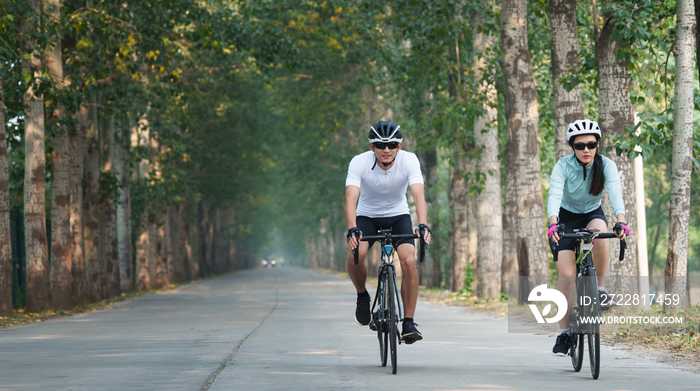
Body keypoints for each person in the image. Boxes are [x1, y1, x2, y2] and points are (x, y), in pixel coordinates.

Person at [547, 119, 629, 356]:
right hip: (564, 219)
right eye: (580, 145)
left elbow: (614, 191)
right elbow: (555, 193)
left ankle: (600, 290)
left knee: (600, 235)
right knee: (567, 275)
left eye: (591, 144)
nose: (586, 150)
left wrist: (621, 220)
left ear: (597, 144)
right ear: (572, 147)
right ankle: (563, 332)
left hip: (592, 214)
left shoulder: (606, 165)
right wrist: (553, 224)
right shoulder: (562, 166)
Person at [345, 120, 432, 344]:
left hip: (398, 216)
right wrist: (353, 228)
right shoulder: (359, 162)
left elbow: (418, 195)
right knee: (357, 254)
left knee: (409, 261)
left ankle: (409, 322)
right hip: (367, 216)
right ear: (372, 147)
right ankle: (362, 296)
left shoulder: (409, 160)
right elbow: (351, 198)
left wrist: (422, 224)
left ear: (399, 147)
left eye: (392, 145)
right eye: (380, 145)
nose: (386, 150)